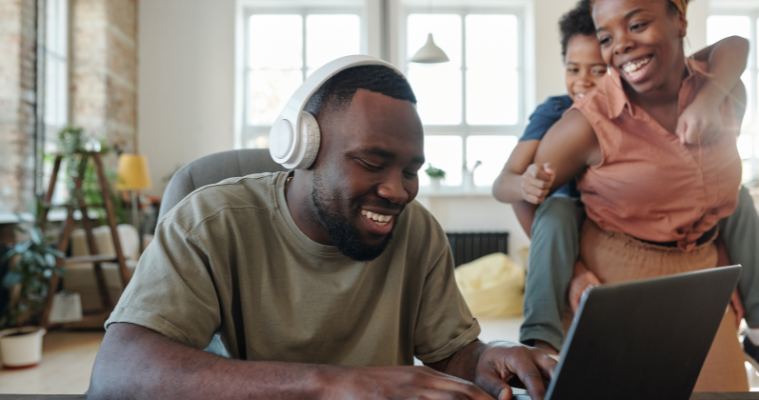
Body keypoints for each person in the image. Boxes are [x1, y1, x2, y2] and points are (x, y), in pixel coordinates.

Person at [87, 58, 557, 400]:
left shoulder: (418, 232)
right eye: (373, 162)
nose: (398, 191)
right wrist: (334, 383)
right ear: (303, 150)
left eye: (410, 170)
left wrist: (489, 356)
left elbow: (452, 353)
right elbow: (118, 372)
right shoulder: (208, 222)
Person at [492, 0, 757, 361]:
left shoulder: (713, 88)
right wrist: (573, 269)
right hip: (592, 234)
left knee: (740, 199)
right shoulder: (565, 117)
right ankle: (539, 338)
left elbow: (736, 45)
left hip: (697, 263)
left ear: (679, 20)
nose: (585, 80)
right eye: (607, 38)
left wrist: (708, 99)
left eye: (636, 25)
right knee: (556, 213)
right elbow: (515, 187)